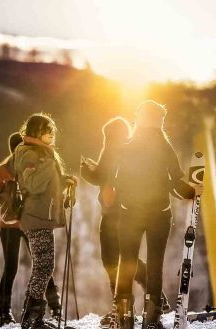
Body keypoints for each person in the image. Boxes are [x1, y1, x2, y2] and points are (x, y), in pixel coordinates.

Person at [113, 101, 203, 329]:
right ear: (158, 120)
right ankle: (151, 320)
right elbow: (174, 183)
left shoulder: (126, 146)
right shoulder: (165, 147)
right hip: (158, 215)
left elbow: (117, 181)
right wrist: (193, 192)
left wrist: (124, 202)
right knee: (155, 264)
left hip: (129, 214)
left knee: (127, 263)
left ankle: (124, 319)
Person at [80, 117, 171, 326]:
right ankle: (154, 297)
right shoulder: (133, 151)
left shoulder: (112, 149)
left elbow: (100, 176)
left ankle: (120, 310)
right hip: (130, 211)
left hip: (113, 214)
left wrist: (85, 169)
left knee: (112, 261)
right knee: (126, 259)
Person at [0, 132, 61, 326]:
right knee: (23, 266)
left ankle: (51, 308)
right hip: (12, 224)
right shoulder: (5, 169)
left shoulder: (20, 166)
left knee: (39, 264)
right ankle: (7, 311)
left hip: (24, 222)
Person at [14, 113, 76, 329]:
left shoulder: (41, 153)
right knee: (44, 266)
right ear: (36, 132)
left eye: (52, 129)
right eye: (46, 129)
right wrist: (50, 165)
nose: (51, 133)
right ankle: (33, 318)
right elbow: (33, 184)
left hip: (42, 215)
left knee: (42, 266)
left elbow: (46, 183)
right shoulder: (27, 152)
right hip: (35, 216)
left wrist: (63, 182)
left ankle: (31, 317)